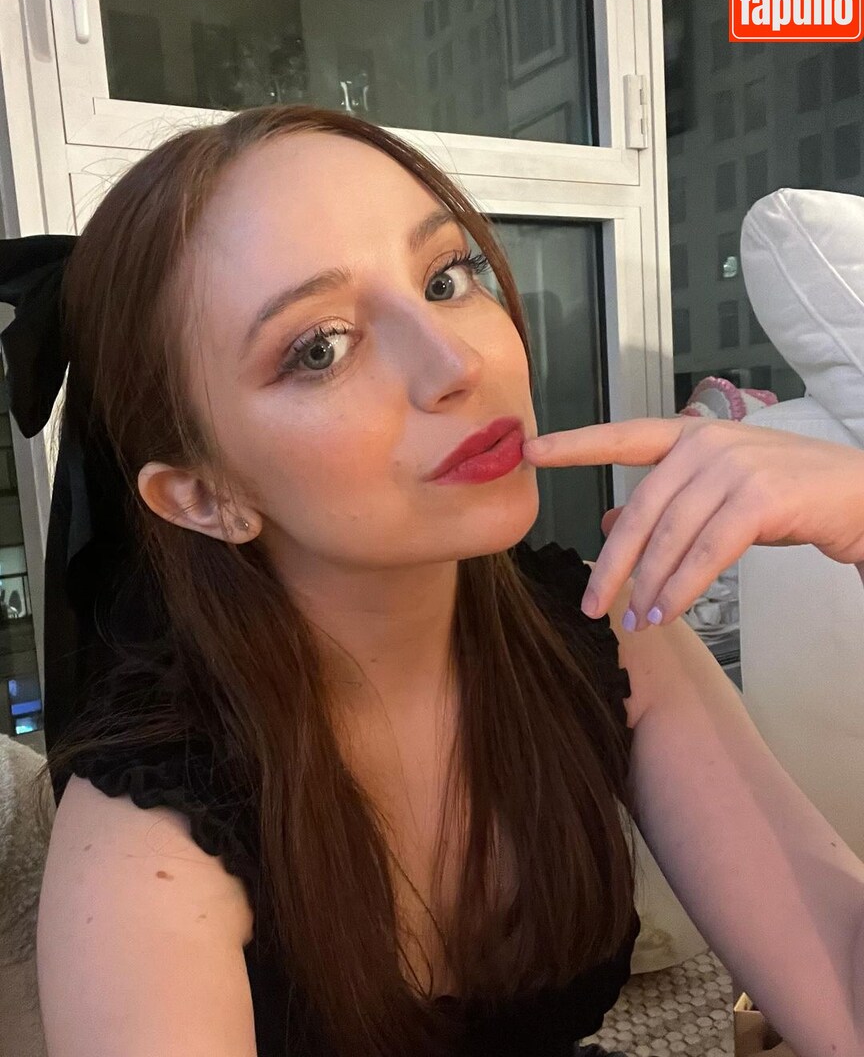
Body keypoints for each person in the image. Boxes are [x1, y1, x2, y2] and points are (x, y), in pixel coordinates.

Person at [1, 104, 860, 1057]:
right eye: (321, 348)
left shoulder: (600, 630)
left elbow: (847, 1006)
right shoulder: (151, 828)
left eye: (447, 277)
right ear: (207, 496)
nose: (457, 362)